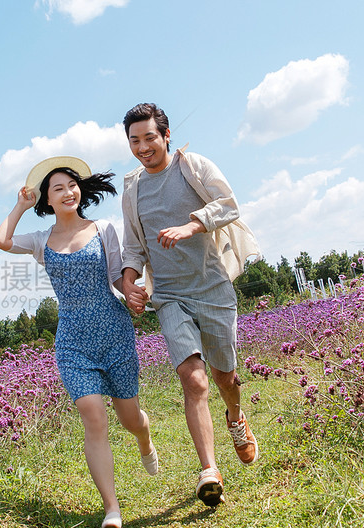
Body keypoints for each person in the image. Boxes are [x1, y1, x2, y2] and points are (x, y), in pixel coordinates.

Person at [0, 156, 157, 528]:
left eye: (72, 185)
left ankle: (145, 438)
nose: (68, 192)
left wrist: (134, 292)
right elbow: (1, 240)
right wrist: (19, 205)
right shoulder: (41, 241)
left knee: (129, 418)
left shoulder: (103, 229)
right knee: (94, 417)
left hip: (114, 332)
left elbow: (118, 277)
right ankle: (111, 508)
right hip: (73, 341)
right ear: (46, 200)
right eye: (58, 189)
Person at [119, 103, 261, 507]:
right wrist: (131, 284)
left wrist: (191, 225)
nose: (143, 147)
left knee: (224, 377)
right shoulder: (133, 190)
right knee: (193, 378)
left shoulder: (191, 165)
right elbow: (132, 246)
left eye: (150, 138)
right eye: (135, 141)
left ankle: (235, 417)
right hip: (169, 296)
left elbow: (229, 204)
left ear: (165, 136)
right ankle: (209, 470)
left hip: (212, 288)